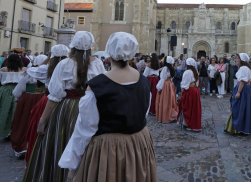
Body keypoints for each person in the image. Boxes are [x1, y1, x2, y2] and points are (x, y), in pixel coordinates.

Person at [59, 32, 158, 182]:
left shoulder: (97, 86)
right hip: (139, 144)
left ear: (109, 53)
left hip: (109, 149)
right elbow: (142, 113)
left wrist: (72, 166)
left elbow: (84, 130)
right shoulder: (144, 81)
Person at [24, 32, 105, 182]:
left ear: (73, 46)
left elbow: (54, 96)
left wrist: (42, 121)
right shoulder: (98, 64)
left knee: (60, 142)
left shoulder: (64, 64)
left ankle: (58, 176)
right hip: (91, 109)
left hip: (66, 109)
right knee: (87, 144)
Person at [24, 45, 69, 165]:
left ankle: (39, 158)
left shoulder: (47, 68)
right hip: (65, 103)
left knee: (41, 129)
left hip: (47, 101)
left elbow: (35, 69)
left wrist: (48, 58)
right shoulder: (69, 68)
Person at [10, 55, 47, 158]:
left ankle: (23, 146)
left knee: (24, 121)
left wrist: (18, 99)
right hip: (43, 100)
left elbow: (18, 91)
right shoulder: (48, 74)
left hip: (28, 100)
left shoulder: (30, 74)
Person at [224, 53, 251, 135]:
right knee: (245, 108)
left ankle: (237, 128)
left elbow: (243, 81)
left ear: (242, 60)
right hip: (247, 90)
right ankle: (241, 127)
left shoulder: (243, 68)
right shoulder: (247, 68)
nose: (236, 60)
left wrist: (238, 92)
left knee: (239, 107)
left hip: (243, 89)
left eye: (237, 59)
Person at [0, 54, 26, 138]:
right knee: (17, 112)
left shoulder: (3, 69)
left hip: (5, 90)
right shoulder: (24, 69)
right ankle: (14, 132)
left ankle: (4, 131)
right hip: (19, 90)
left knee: (4, 110)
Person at [178, 58, 202, 131]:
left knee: (188, 107)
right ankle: (191, 123)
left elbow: (184, 84)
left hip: (189, 91)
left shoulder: (188, 72)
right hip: (195, 90)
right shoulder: (195, 71)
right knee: (194, 107)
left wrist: (183, 92)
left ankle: (189, 123)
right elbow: (197, 82)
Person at [156, 56, 178, 123]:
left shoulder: (165, 68)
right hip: (170, 84)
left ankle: (166, 116)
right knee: (170, 100)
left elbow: (162, 78)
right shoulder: (172, 68)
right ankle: (170, 114)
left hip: (165, 84)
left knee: (165, 100)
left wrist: (159, 87)